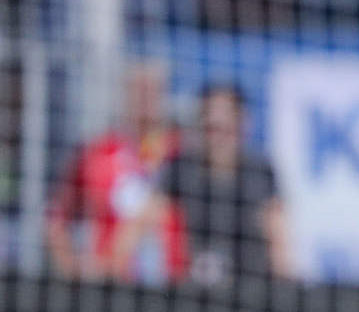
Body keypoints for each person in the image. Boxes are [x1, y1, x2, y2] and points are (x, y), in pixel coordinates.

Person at [114, 83, 293, 286]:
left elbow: (279, 240)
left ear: (243, 125)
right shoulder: (182, 167)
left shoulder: (259, 171)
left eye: (225, 129)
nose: (218, 138)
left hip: (250, 291)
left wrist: (285, 286)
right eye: (211, 128)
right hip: (196, 295)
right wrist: (112, 267)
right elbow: (138, 225)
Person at [46, 62, 178, 280]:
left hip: (169, 288)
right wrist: (72, 268)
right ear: (124, 94)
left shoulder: (179, 154)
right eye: (138, 89)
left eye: (153, 90)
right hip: (110, 285)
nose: (145, 98)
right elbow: (56, 218)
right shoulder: (97, 153)